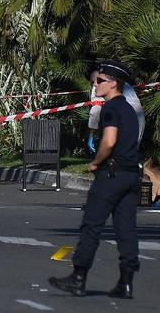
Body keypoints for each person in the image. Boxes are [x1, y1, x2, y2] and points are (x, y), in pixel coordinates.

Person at [49, 60, 141, 299]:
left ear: (113, 84)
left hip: (111, 174)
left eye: (100, 81)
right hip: (131, 174)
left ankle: (78, 277)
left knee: (92, 224)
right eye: (94, 81)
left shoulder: (110, 108)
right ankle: (126, 281)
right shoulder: (130, 110)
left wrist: (95, 162)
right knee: (126, 229)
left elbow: (109, 141)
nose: (95, 84)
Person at [88, 67, 144, 154]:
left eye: (94, 81)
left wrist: (91, 135)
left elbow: (95, 110)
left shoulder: (100, 86)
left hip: (121, 118)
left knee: (116, 155)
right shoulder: (123, 84)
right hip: (138, 116)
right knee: (131, 152)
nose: (94, 85)